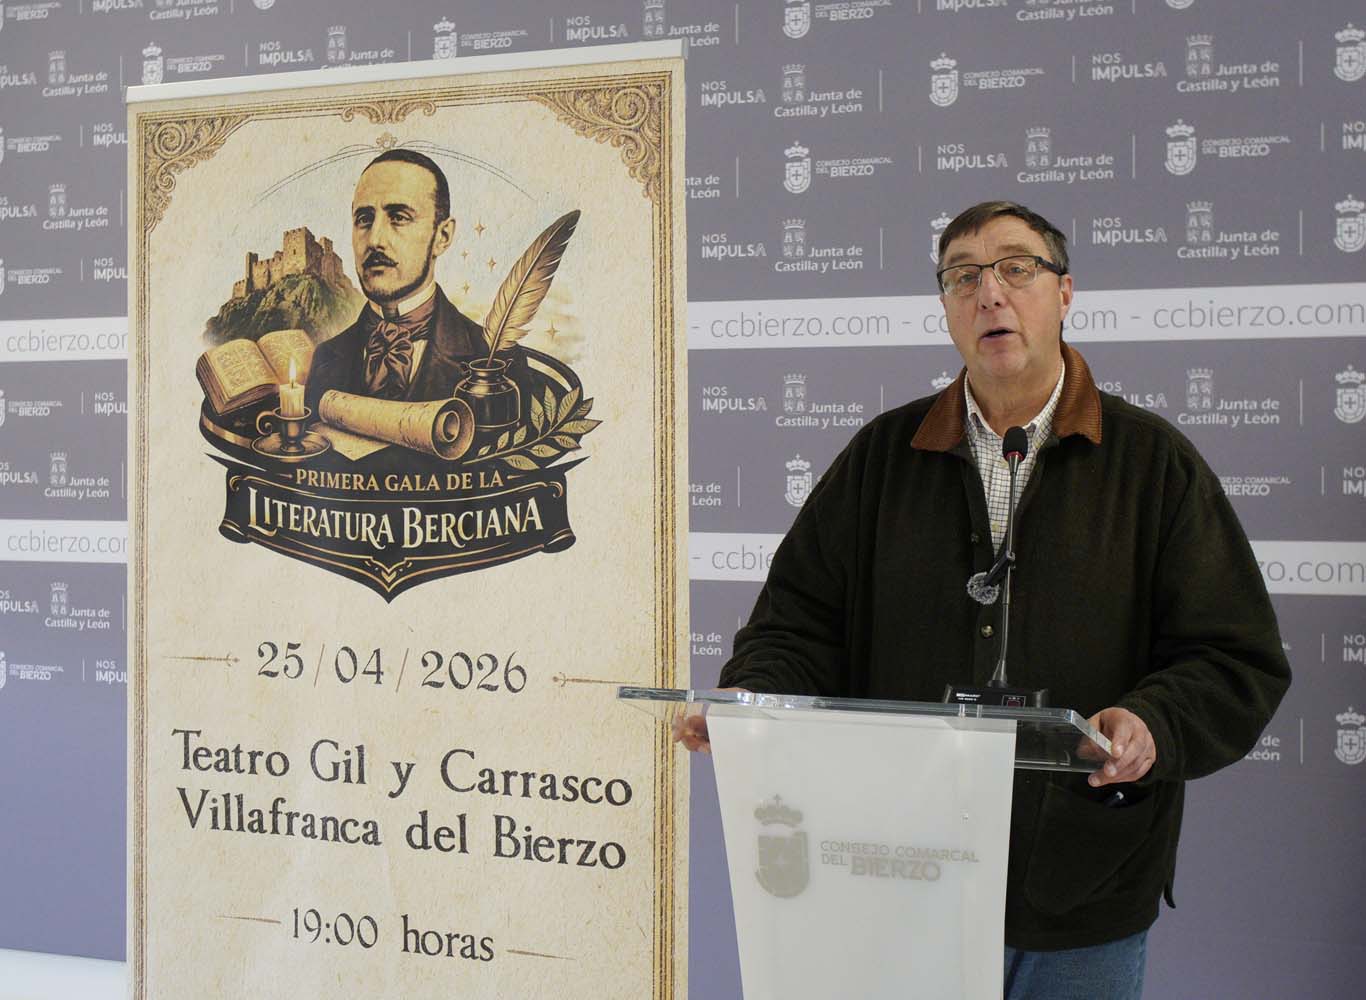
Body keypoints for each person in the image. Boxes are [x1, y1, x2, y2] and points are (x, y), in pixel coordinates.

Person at [677, 201, 1290, 1000]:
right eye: (962, 276)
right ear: (945, 309)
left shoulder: (1153, 466)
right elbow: (797, 624)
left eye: (1015, 268)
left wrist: (1154, 724)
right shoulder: (879, 461)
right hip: (895, 876)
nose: (989, 293)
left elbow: (1234, 656)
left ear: (1064, 294)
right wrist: (757, 701)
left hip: (1083, 893)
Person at [305, 149, 538, 414]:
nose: (374, 240)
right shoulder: (326, 357)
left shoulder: (499, 360)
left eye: (399, 218)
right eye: (364, 219)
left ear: (443, 236)